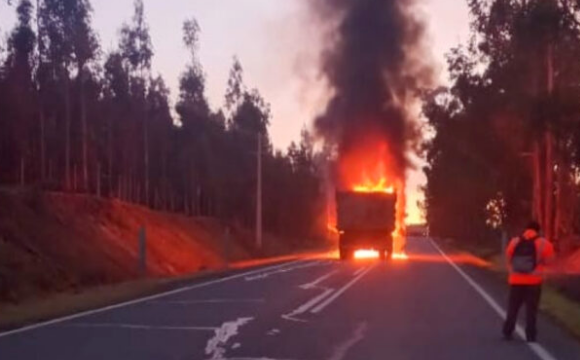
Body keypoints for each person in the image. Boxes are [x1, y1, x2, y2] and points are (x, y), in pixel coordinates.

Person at [502, 221, 555, 342]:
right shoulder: (544, 243)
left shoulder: (515, 241)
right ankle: (530, 336)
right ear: (538, 230)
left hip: (516, 281)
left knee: (513, 308)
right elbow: (550, 261)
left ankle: (507, 331)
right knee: (531, 310)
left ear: (525, 229)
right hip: (534, 282)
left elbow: (508, 257)